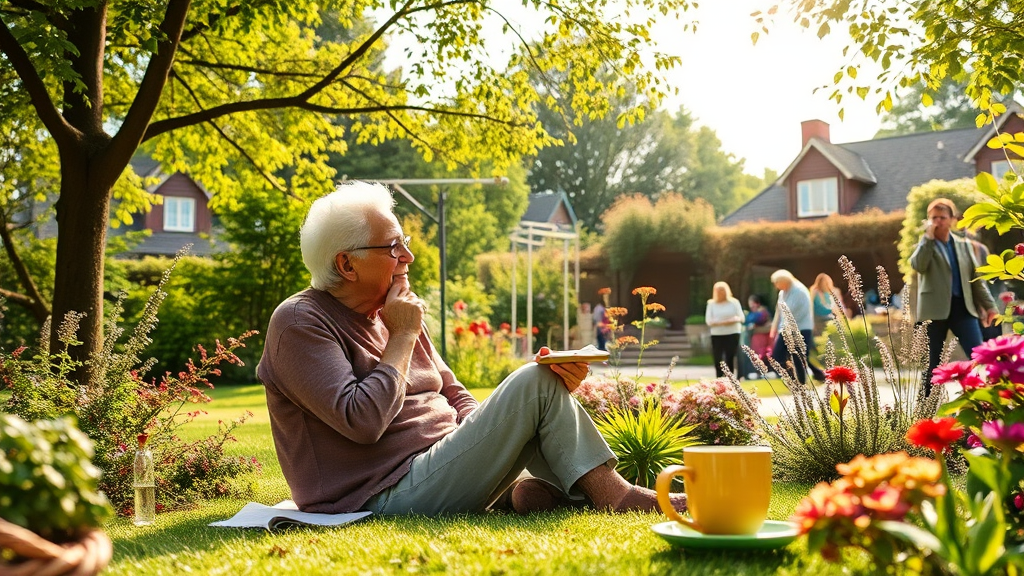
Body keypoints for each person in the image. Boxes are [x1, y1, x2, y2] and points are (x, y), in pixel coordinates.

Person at [257, 181, 687, 516]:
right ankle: (615, 497)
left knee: (540, 382)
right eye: (393, 247)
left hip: (436, 464)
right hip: (377, 494)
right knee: (532, 382)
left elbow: (454, 392)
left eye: (403, 242)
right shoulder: (299, 323)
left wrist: (498, 428)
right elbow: (362, 421)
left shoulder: (391, 307)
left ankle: (514, 491)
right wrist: (403, 335)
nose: (408, 256)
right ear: (346, 264)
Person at [910, 198, 998, 395]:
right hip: (934, 312)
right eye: (933, 218)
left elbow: (977, 279)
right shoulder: (925, 245)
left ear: (951, 219)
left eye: (942, 217)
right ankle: (925, 407)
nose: (938, 221)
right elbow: (918, 266)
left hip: (963, 308)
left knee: (979, 354)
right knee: (932, 363)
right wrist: (927, 239)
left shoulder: (964, 245)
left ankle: (987, 397)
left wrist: (991, 306)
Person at [768, 269, 825, 384]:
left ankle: (801, 383)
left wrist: (786, 328)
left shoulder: (799, 291)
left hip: (801, 328)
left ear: (783, 281)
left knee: (799, 357)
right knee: (778, 356)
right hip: (785, 328)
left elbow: (799, 313)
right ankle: (797, 380)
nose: (776, 286)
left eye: (777, 283)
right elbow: (778, 311)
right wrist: (774, 327)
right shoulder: (783, 293)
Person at [705, 281, 744, 378]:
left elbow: (741, 318)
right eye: (718, 291)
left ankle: (731, 378)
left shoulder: (734, 302)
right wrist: (727, 321)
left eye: (722, 290)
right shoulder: (711, 304)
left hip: (732, 333)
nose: (720, 292)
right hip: (717, 334)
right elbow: (709, 321)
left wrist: (719, 322)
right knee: (718, 357)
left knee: (730, 356)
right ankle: (719, 378)